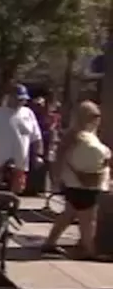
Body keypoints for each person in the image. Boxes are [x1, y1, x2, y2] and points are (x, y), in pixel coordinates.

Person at [42, 100, 111, 259]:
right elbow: (60, 157)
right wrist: (57, 179)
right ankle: (89, 250)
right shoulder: (76, 135)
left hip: (83, 182)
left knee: (69, 214)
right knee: (88, 219)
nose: (97, 119)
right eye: (94, 116)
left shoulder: (86, 135)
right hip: (82, 183)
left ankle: (50, 243)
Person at [0, 85, 42, 193]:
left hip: (20, 162)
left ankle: (11, 206)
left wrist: (38, 155)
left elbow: (36, 137)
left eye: (23, 99)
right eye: (18, 99)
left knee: (16, 190)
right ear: (9, 97)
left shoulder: (28, 114)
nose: (20, 102)